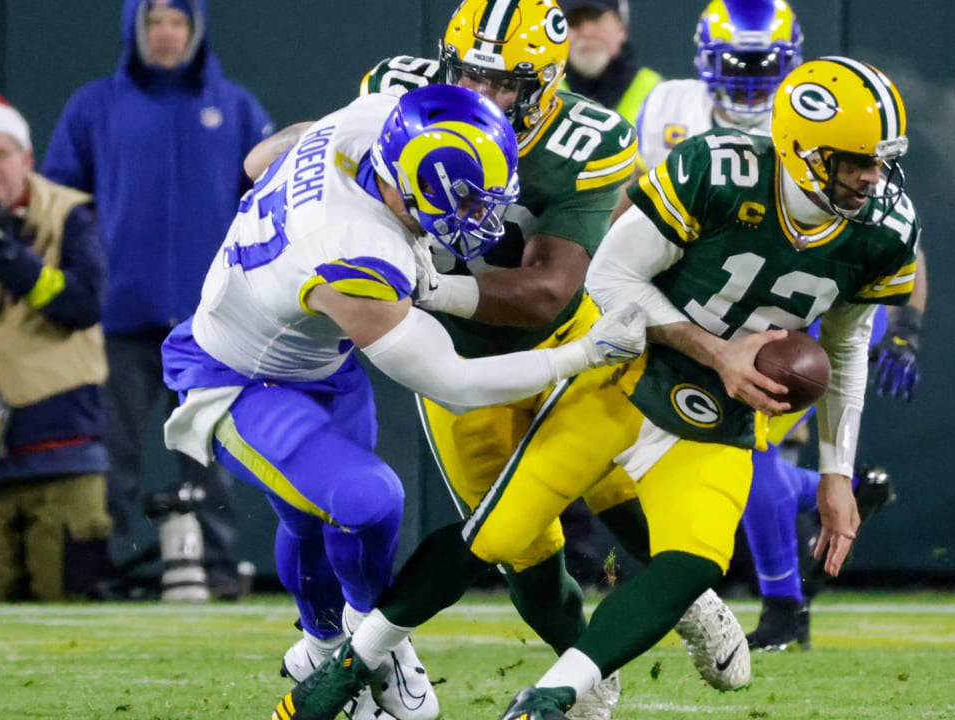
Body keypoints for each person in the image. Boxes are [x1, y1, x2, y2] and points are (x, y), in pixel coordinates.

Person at [279, 56, 919, 720]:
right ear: (804, 149)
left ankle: (563, 687)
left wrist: (836, 471)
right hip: (598, 365)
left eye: (881, 161)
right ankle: (362, 662)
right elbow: (613, 277)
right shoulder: (715, 168)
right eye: (856, 162)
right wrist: (716, 350)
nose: (873, 178)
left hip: (677, 388)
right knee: (505, 537)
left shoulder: (883, 228)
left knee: (692, 555)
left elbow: (843, 345)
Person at [270, 4, 748, 718]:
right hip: (453, 357)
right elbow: (312, 149)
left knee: (615, 483)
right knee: (518, 541)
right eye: (470, 76)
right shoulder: (400, 92)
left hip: (563, 337)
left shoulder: (586, 138)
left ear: (547, 84)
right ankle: (582, 663)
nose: (485, 97)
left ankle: (687, 592)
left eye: (508, 84)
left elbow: (548, 290)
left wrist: (428, 284)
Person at [158, 83, 644, 720]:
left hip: (316, 355)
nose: (480, 217)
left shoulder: (378, 118)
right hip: (240, 377)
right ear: (412, 183)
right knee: (368, 501)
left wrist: (293, 160)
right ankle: (358, 644)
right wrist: (580, 355)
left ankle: (328, 644)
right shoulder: (358, 254)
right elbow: (457, 384)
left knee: (314, 518)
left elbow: (259, 158)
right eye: (468, 199)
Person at [631, 0, 921, 651]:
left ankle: (786, 608)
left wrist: (905, 328)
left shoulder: (827, 114)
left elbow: (896, 237)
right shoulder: (669, 110)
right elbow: (635, 205)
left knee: (747, 447)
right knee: (712, 455)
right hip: (720, 310)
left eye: (765, 69)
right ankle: (825, 503)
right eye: (737, 68)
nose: (751, 85)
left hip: (809, 315)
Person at [41, 0, 274, 598]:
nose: (166, 33)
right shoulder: (94, 107)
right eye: (153, 22)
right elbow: (60, 204)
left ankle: (217, 568)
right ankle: (110, 569)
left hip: (211, 321)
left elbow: (272, 197)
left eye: (177, 21)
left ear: (195, 31)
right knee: (112, 454)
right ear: (134, 30)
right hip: (119, 317)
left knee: (212, 447)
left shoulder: (237, 106)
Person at [0, 93, 112, 601]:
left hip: (61, 440)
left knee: (71, 594)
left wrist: (9, 257)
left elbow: (82, 305)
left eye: (0, 154)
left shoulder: (69, 213)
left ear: (26, 159)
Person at [557, 0, 662, 126]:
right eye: (574, 21)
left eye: (595, 18)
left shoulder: (658, 94)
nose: (587, 32)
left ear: (622, 28)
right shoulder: (540, 94)